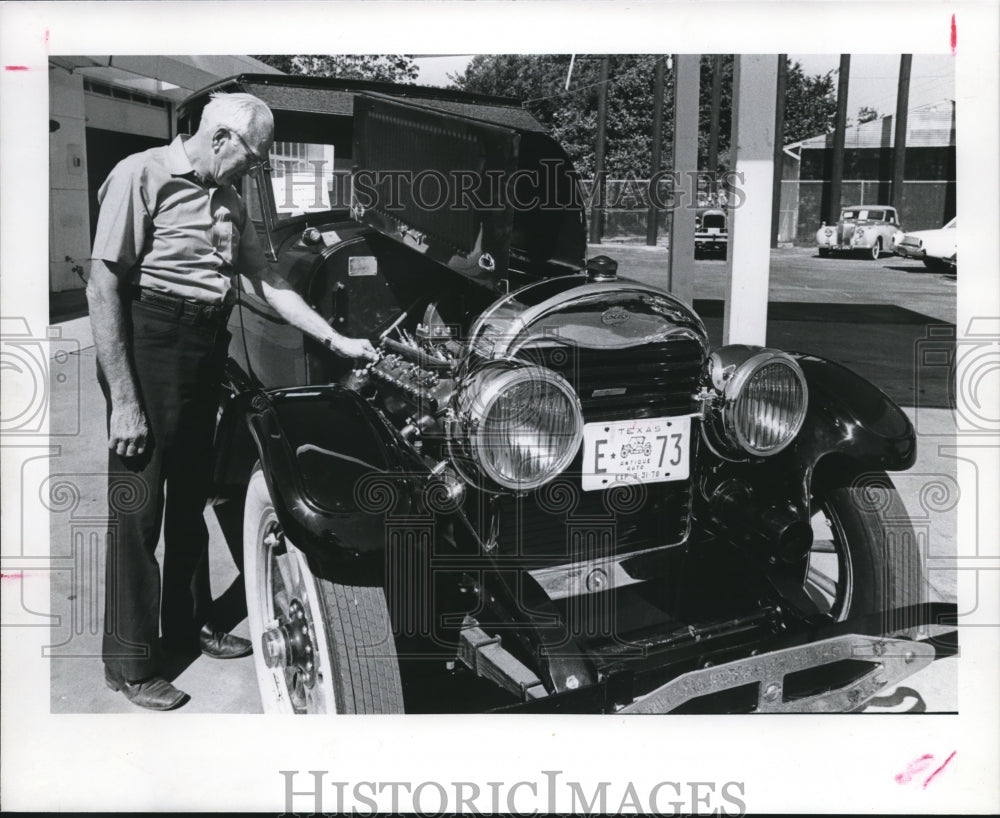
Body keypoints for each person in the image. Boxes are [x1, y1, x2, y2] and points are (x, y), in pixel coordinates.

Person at [87, 92, 377, 710]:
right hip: (150, 343)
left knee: (193, 495)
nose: (258, 167)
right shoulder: (142, 175)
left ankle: (190, 627)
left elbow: (267, 281)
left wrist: (334, 337)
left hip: (204, 346)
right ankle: (131, 663)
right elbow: (103, 284)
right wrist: (124, 400)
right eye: (257, 155)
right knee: (139, 509)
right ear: (221, 139)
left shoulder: (231, 201)